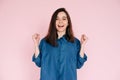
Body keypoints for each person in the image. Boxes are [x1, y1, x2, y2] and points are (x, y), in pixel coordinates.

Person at [32, 8, 88, 80]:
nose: (60, 21)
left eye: (64, 19)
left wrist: (83, 45)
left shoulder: (75, 42)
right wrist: (36, 44)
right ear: (53, 22)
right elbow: (38, 63)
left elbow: (78, 64)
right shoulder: (45, 42)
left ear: (68, 22)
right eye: (57, 19)